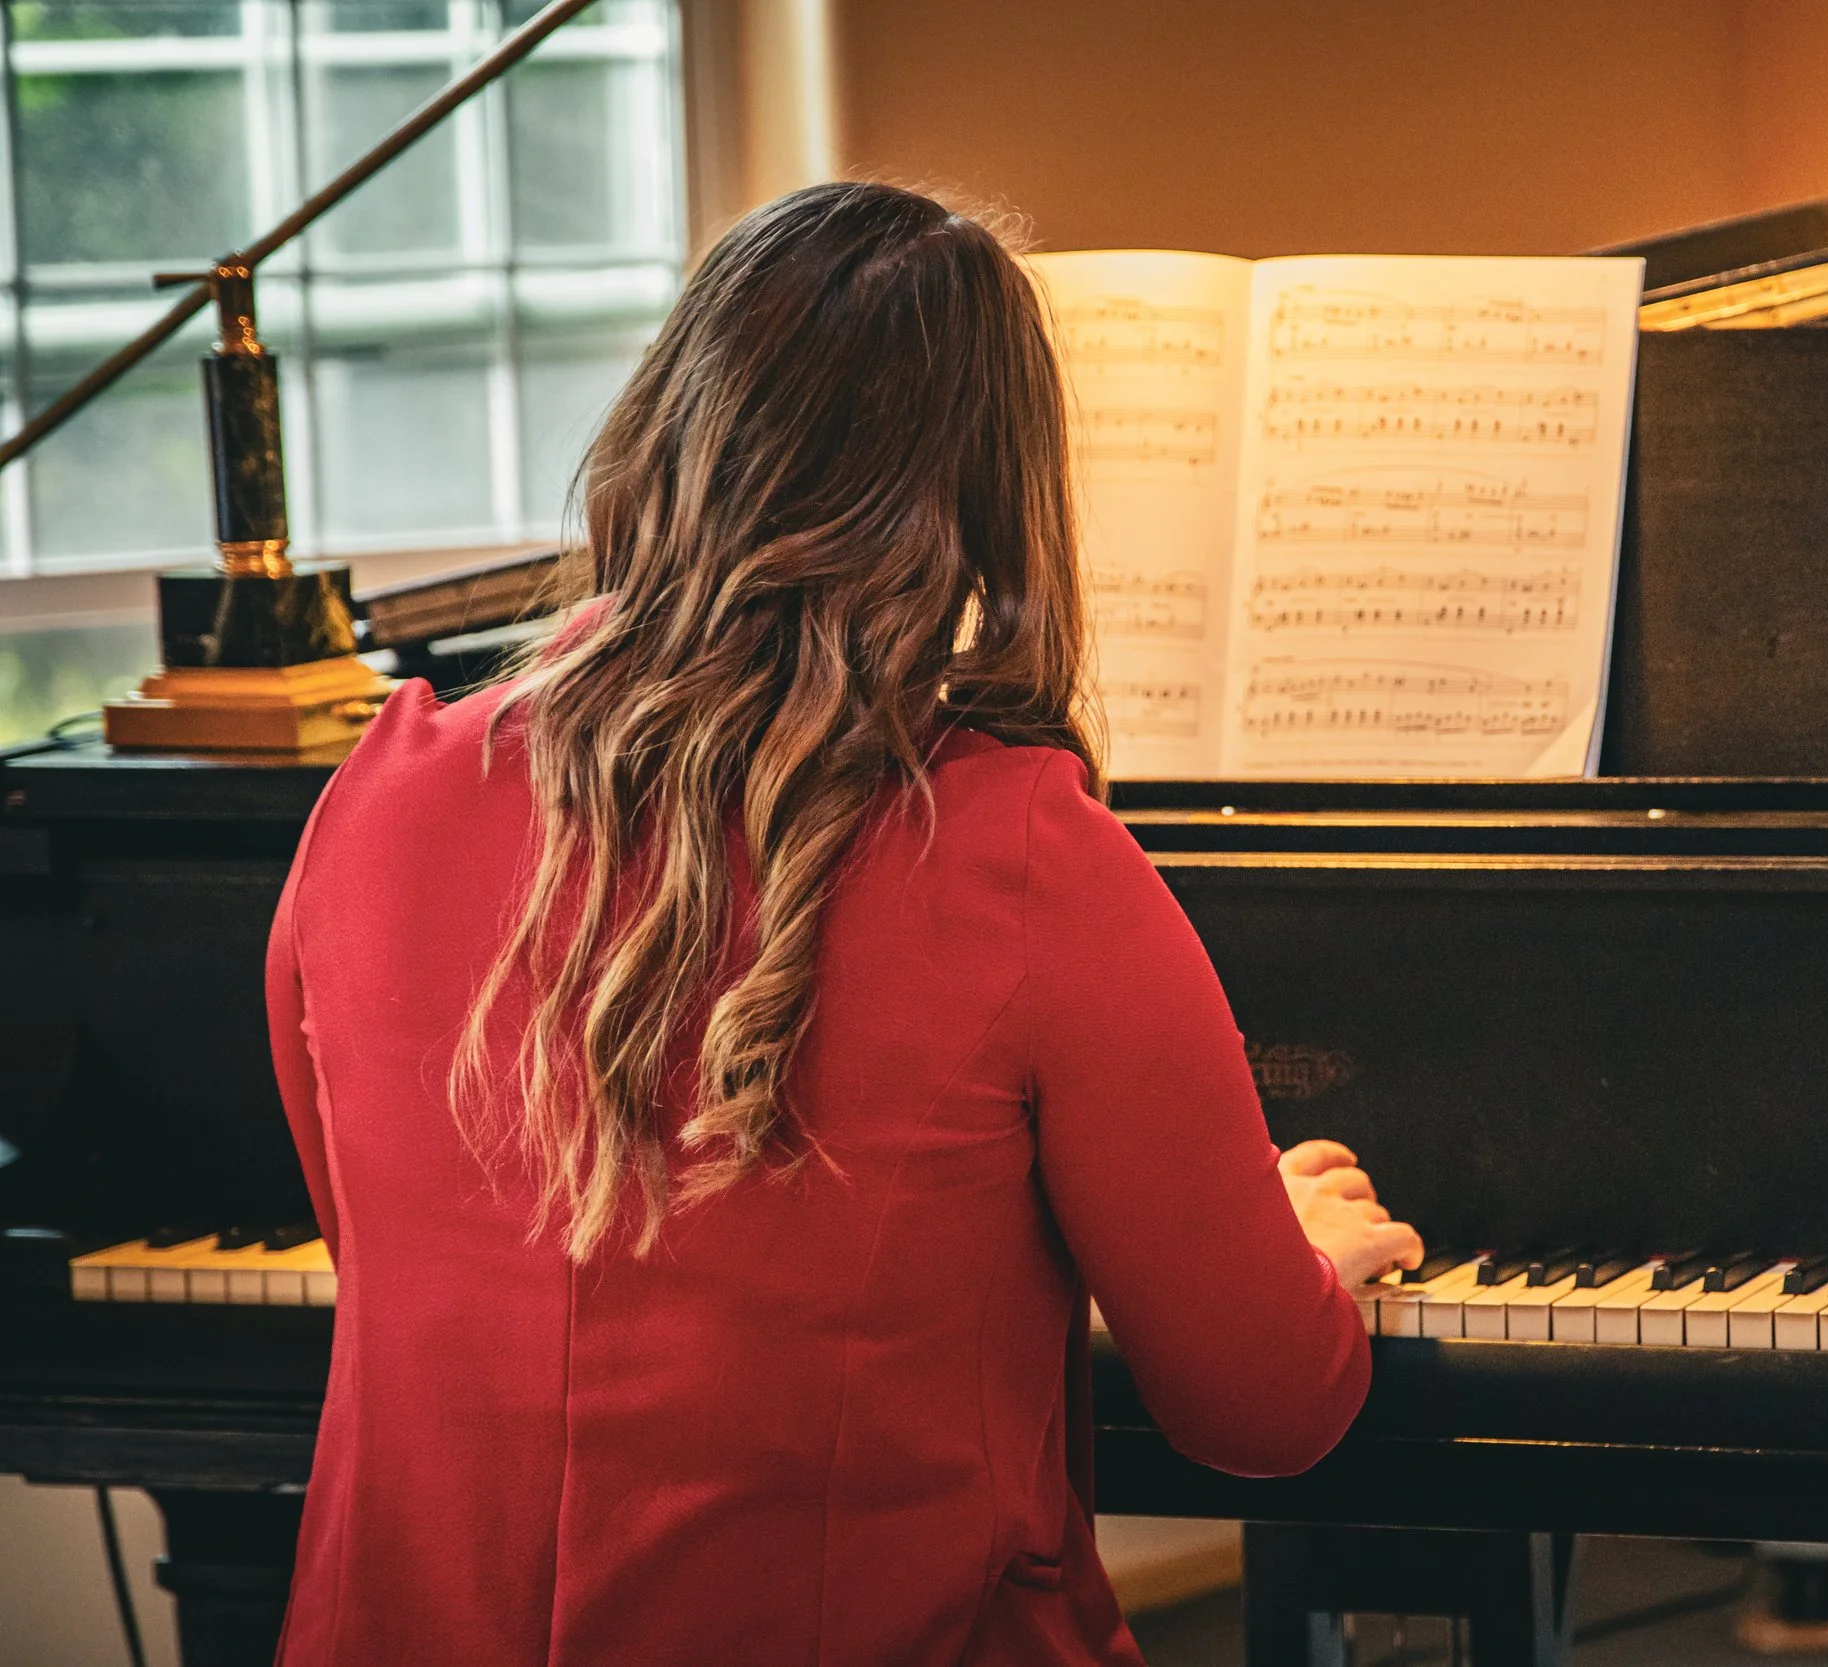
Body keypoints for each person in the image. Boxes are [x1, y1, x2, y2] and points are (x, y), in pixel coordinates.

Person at [263, 181, 1423, 1667]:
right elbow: (1261, 1414)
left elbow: (382, 1257)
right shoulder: (1020, 854)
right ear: (992, 499)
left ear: (661, 434)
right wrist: (1295, 1259)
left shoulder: (379, 791)